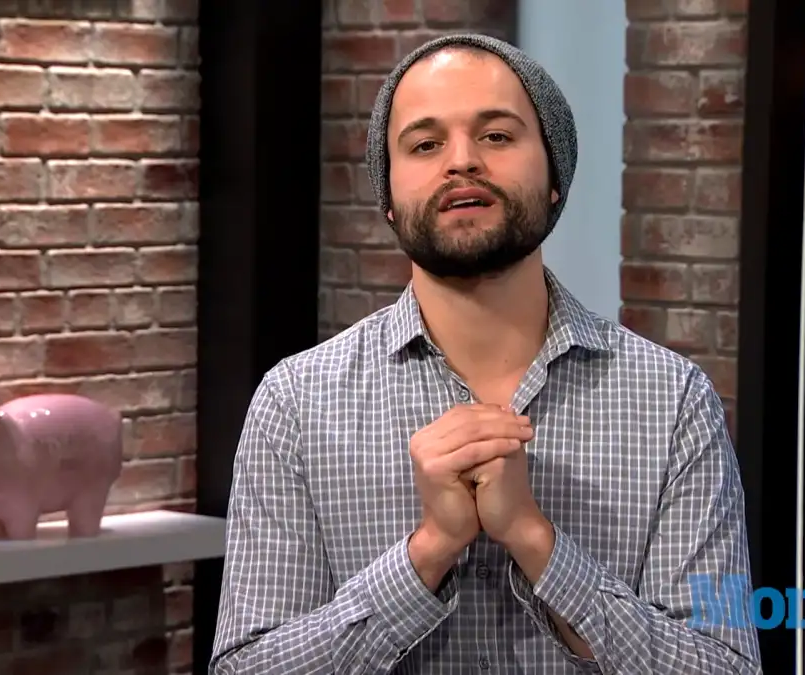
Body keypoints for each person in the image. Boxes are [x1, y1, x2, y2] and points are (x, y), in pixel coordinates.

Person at [209, 33, 761, 674]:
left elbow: (725, 666)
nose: (462, 161)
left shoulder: (671, 400)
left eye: (496, 136)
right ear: (387, 198)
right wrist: (428, 552)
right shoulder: (297, 404)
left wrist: (537, 542)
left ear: (555, 177)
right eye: (425, 144)